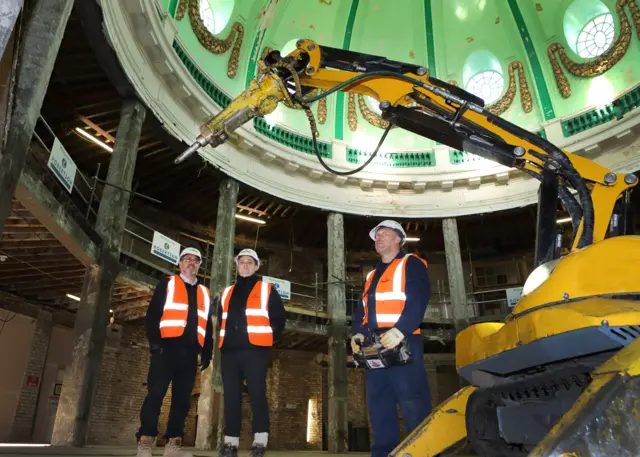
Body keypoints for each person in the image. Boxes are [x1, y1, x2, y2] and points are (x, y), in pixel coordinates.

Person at [350, 220, 432, 457]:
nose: (379, 238)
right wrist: (358, 332)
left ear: (399, 239)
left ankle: (422, 451)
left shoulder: (411, 264)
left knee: (412, 400)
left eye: (384, 234)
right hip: (376, 344)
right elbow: (363, 309)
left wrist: (402, 329)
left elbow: (418, 297)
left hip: (403, 340)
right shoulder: (372, 275)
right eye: (376, 235)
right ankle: (384, 453)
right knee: (379, 403)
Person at [136, 247, 213, 457]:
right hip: (166, 350)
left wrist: (207, 351)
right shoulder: (167, 283)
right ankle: (145, 442)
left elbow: (207, 326)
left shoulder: (205, 293)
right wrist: (155, 344)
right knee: (155, 395)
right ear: (180, 263)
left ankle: (173, 445)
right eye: (187, 259)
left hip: (190, 353)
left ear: (198, 265)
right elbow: (153, 315)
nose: (191, 263)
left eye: (195, 260)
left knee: (182, 400)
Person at [217, 248, 286, 457]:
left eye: (249, 262)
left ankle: (260, 441)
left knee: (257, 394)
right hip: (229, 352)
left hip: (255, 351)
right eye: (241, 262)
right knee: (231, 397)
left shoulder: (267, 289)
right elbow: (221, 321)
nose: (245, 265)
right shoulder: (226, 292)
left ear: (256, 266)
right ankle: (230, 443)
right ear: (236, 266)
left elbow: (279, 320)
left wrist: (265, 340)